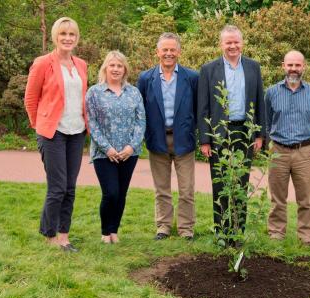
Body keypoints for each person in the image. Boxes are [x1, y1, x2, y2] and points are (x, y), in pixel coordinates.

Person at [24, 17, 87, 252]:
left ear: (77, 38)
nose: (68, 38)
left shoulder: (81, 64)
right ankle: (49, 234)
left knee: (70, 187)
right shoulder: (42, 63)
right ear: (55, 37)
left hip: (77, 131)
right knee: (57, 187)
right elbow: (30, 98)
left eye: (72, 34)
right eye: (63, 34)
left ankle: (64, 235)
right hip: (53, 133)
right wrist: (40, 126)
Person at [197, 25, 265, 237]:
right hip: (219, 134)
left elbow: (259, 101)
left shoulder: (253, 67)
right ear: (221, 44)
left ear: (242, 43)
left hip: (245, 132)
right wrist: (205, 139)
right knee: (220, 183)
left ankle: (238, 230)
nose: (233, 46)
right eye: (228, 42)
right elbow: (203, 107)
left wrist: (260, 135)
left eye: (236, 42)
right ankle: (221, 232)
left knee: (241, 183)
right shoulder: (209, 69)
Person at [137, 33, 198, 241]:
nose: (169, 53)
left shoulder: (192, 77)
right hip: (158, 140)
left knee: (187, 189)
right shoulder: (146, 78)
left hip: (184, 140)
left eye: (173, 50)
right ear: (158, 52)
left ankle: (186, 229)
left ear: (179, 52)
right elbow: (141, 110)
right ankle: (163, 226)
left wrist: (194, 131)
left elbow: (199, 109)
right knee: (161, 189)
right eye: (165, 50)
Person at [86, 51, 145, 244]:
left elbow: (140, 121)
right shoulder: (94, 92)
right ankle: (105, 232)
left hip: (129, 153)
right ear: (105, 68)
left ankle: (114, 231)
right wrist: (107, 148)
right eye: (112, 65)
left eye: (119, 66)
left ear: (125, 69)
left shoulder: (134, 93)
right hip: (104, 154)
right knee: (110, 192)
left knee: (121, 193)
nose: (116, 69)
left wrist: (131, 146)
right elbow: (91, 123)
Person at [265, 50, 310, 245]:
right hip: (278, 152)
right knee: (277, 198)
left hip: (303, 152)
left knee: (305, 199)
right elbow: (266, 121)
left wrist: (303, 139)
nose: (293, 69)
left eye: (297, 65)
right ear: (283, 66)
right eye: (290, 65)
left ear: (303, 67)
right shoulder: (271, 92)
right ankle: (276, 233)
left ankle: (306, 237)